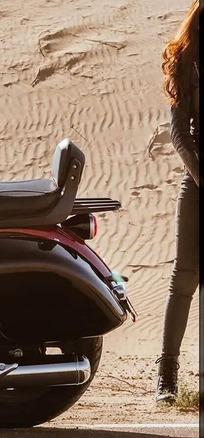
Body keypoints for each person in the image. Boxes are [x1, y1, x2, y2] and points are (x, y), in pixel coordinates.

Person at [155, 0, 200, 404]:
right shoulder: (186, 58)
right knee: (184, 278)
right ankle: (166, 376)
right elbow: (179, 135)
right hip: (198, 181)